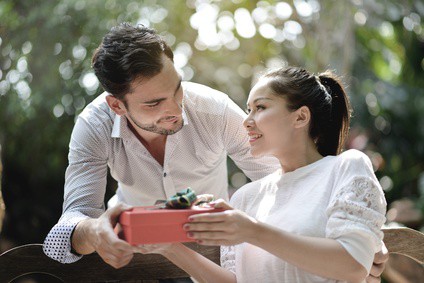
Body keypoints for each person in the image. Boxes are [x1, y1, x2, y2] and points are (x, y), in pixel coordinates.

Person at [42, 23, 387, 281]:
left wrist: (361, 232)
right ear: (117, 105)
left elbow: (291, 184)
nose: (176, 108)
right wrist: (95, 232)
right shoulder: (94, 126)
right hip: (134, 256)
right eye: (154, 103)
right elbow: (64, 231)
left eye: (177, 89)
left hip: (215, 251)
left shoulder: (214, 110)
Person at [138, 66, 387, 283]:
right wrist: (170, 248)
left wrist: (251, 231)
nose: (246, 121)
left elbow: (354, 266)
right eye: (248, 109)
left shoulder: (344, 167)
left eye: (260, 107)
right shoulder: (246, 198)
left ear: (300, 116)